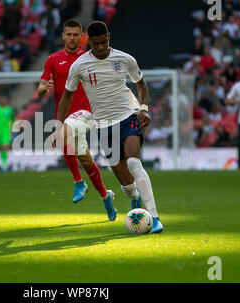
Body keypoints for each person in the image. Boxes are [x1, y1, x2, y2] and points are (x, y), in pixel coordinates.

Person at [57, 21, 163, 233]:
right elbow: (67, 96)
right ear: (89, 42)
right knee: (126, 186)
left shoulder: (124, 59)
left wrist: (143, 108)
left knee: (134, 162)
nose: (100, 47)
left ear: (109, 37)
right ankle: (135, 196)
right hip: (104, 125)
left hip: (128, 115)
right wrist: (59, 126)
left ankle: (155, 218)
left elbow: (140, 83)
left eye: (104, 42)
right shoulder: (79, 65)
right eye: (96, 44)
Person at [37, 19, 120, 212]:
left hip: (86, 113)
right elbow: (42, 86)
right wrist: (43, 89)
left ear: (81, 36)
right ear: (63, 36)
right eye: (69, 34)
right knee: (85, 159)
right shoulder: (53, 60)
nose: (73, 38)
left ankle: (77, 181)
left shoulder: (89, 57)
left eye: (76, 34)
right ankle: (105, 196)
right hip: (67, 114)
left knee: (62, 133)